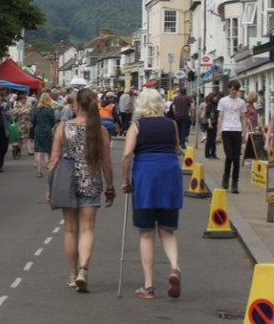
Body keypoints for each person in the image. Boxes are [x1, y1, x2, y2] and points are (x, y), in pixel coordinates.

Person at [47, 87, 115, 293]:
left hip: (66, 181)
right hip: (90, 181)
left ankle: (72, 273)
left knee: (70, 230)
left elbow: (54, 160)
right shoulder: (100, 130)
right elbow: (107, 163)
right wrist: (110, 187)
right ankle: (83, 270)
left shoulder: (63, 127)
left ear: (76, 105)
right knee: (87, 229)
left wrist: (51, 186)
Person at [121, 88, 183, 300]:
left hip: (146, 176)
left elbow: (127, 154)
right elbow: (176, 149)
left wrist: (125, 181)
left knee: (146, 233)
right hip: (170, 174)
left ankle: (148, 286)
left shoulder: (137, 125)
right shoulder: (171, 124)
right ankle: (175, 267)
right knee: (167, 229)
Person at [217, 81, 245, 194]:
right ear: (229, 89)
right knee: (229, 155)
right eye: (232, 89)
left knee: (236, 158)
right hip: (226, 129)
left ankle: (235, 182)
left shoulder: (241, 102)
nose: (234, 91)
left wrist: (244, 133)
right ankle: (226, 175)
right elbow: (220, 116)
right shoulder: (223, 101)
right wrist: (219, 133)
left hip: (237, 130)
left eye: (236, 89)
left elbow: (244, 117)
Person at [33, 92, 58, 178]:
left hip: (38, 130)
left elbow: (33, 120)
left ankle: (39, 172)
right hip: (47, 130)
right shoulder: (50, 110)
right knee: (49, 151)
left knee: (38, 151)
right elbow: (53, 122)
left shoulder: (37, 110)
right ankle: (50, 170)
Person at [201, 92, 219, 159]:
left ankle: (213, 153)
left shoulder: (215, 104)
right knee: (210, 139)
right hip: (210, 123)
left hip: (214, 122)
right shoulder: (210, 104)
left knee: (213, 139)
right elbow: (208, 114)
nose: (216, 98)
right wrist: (209, 123)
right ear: (212, 97)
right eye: (215, 97)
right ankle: (207, 153)